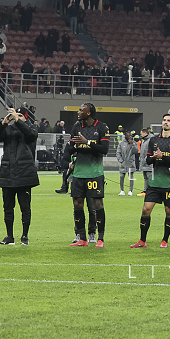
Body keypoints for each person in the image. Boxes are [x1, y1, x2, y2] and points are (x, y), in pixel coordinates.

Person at [131, 113, 170, 248]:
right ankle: (142, 240)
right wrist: (154, 157)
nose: (165, 122)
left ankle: (165, 240)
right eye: (164, 120)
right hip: (154, 182)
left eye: (169, 120)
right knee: (145, 209)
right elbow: (148, 160)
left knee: (169, 211)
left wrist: (162, 157)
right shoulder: (153, 140)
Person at [0, 107, 39, 245]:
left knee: (25, 207)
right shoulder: (8, 129)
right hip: (7, 173)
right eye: (14, 115)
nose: (15, 117)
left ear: (25, 117)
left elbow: (31, 135)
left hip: (24, 173)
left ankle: (25, 236)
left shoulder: (31, 128)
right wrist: (3, 123)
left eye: (20, 115)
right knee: (7, 207)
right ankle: (9, 236)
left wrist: (18, 121)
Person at [67, 103, 110, 247]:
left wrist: (88, 142)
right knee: (77, 203)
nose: (78, 112)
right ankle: (82, 238)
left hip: (94, 172)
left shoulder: (101, 127)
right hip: (79, 172)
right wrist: (74, 148)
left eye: (81, 110)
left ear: (89, 113)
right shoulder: (77, 127)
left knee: (97, 204)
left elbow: (104, 149)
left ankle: (100, 238)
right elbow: (70, 148)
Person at [116, 130, 137, 195]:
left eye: (131, 135)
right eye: (128, 135)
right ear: (125, 136)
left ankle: (130, 191)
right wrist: (121, 161)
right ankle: (122, 190)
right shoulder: (121, 143)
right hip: (123, 163)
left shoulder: (134, 143)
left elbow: (136, 151)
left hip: (131, 163)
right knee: (122, 176)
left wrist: (132, 144)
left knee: (131, 177)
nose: (130, 136)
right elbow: (118, 153)